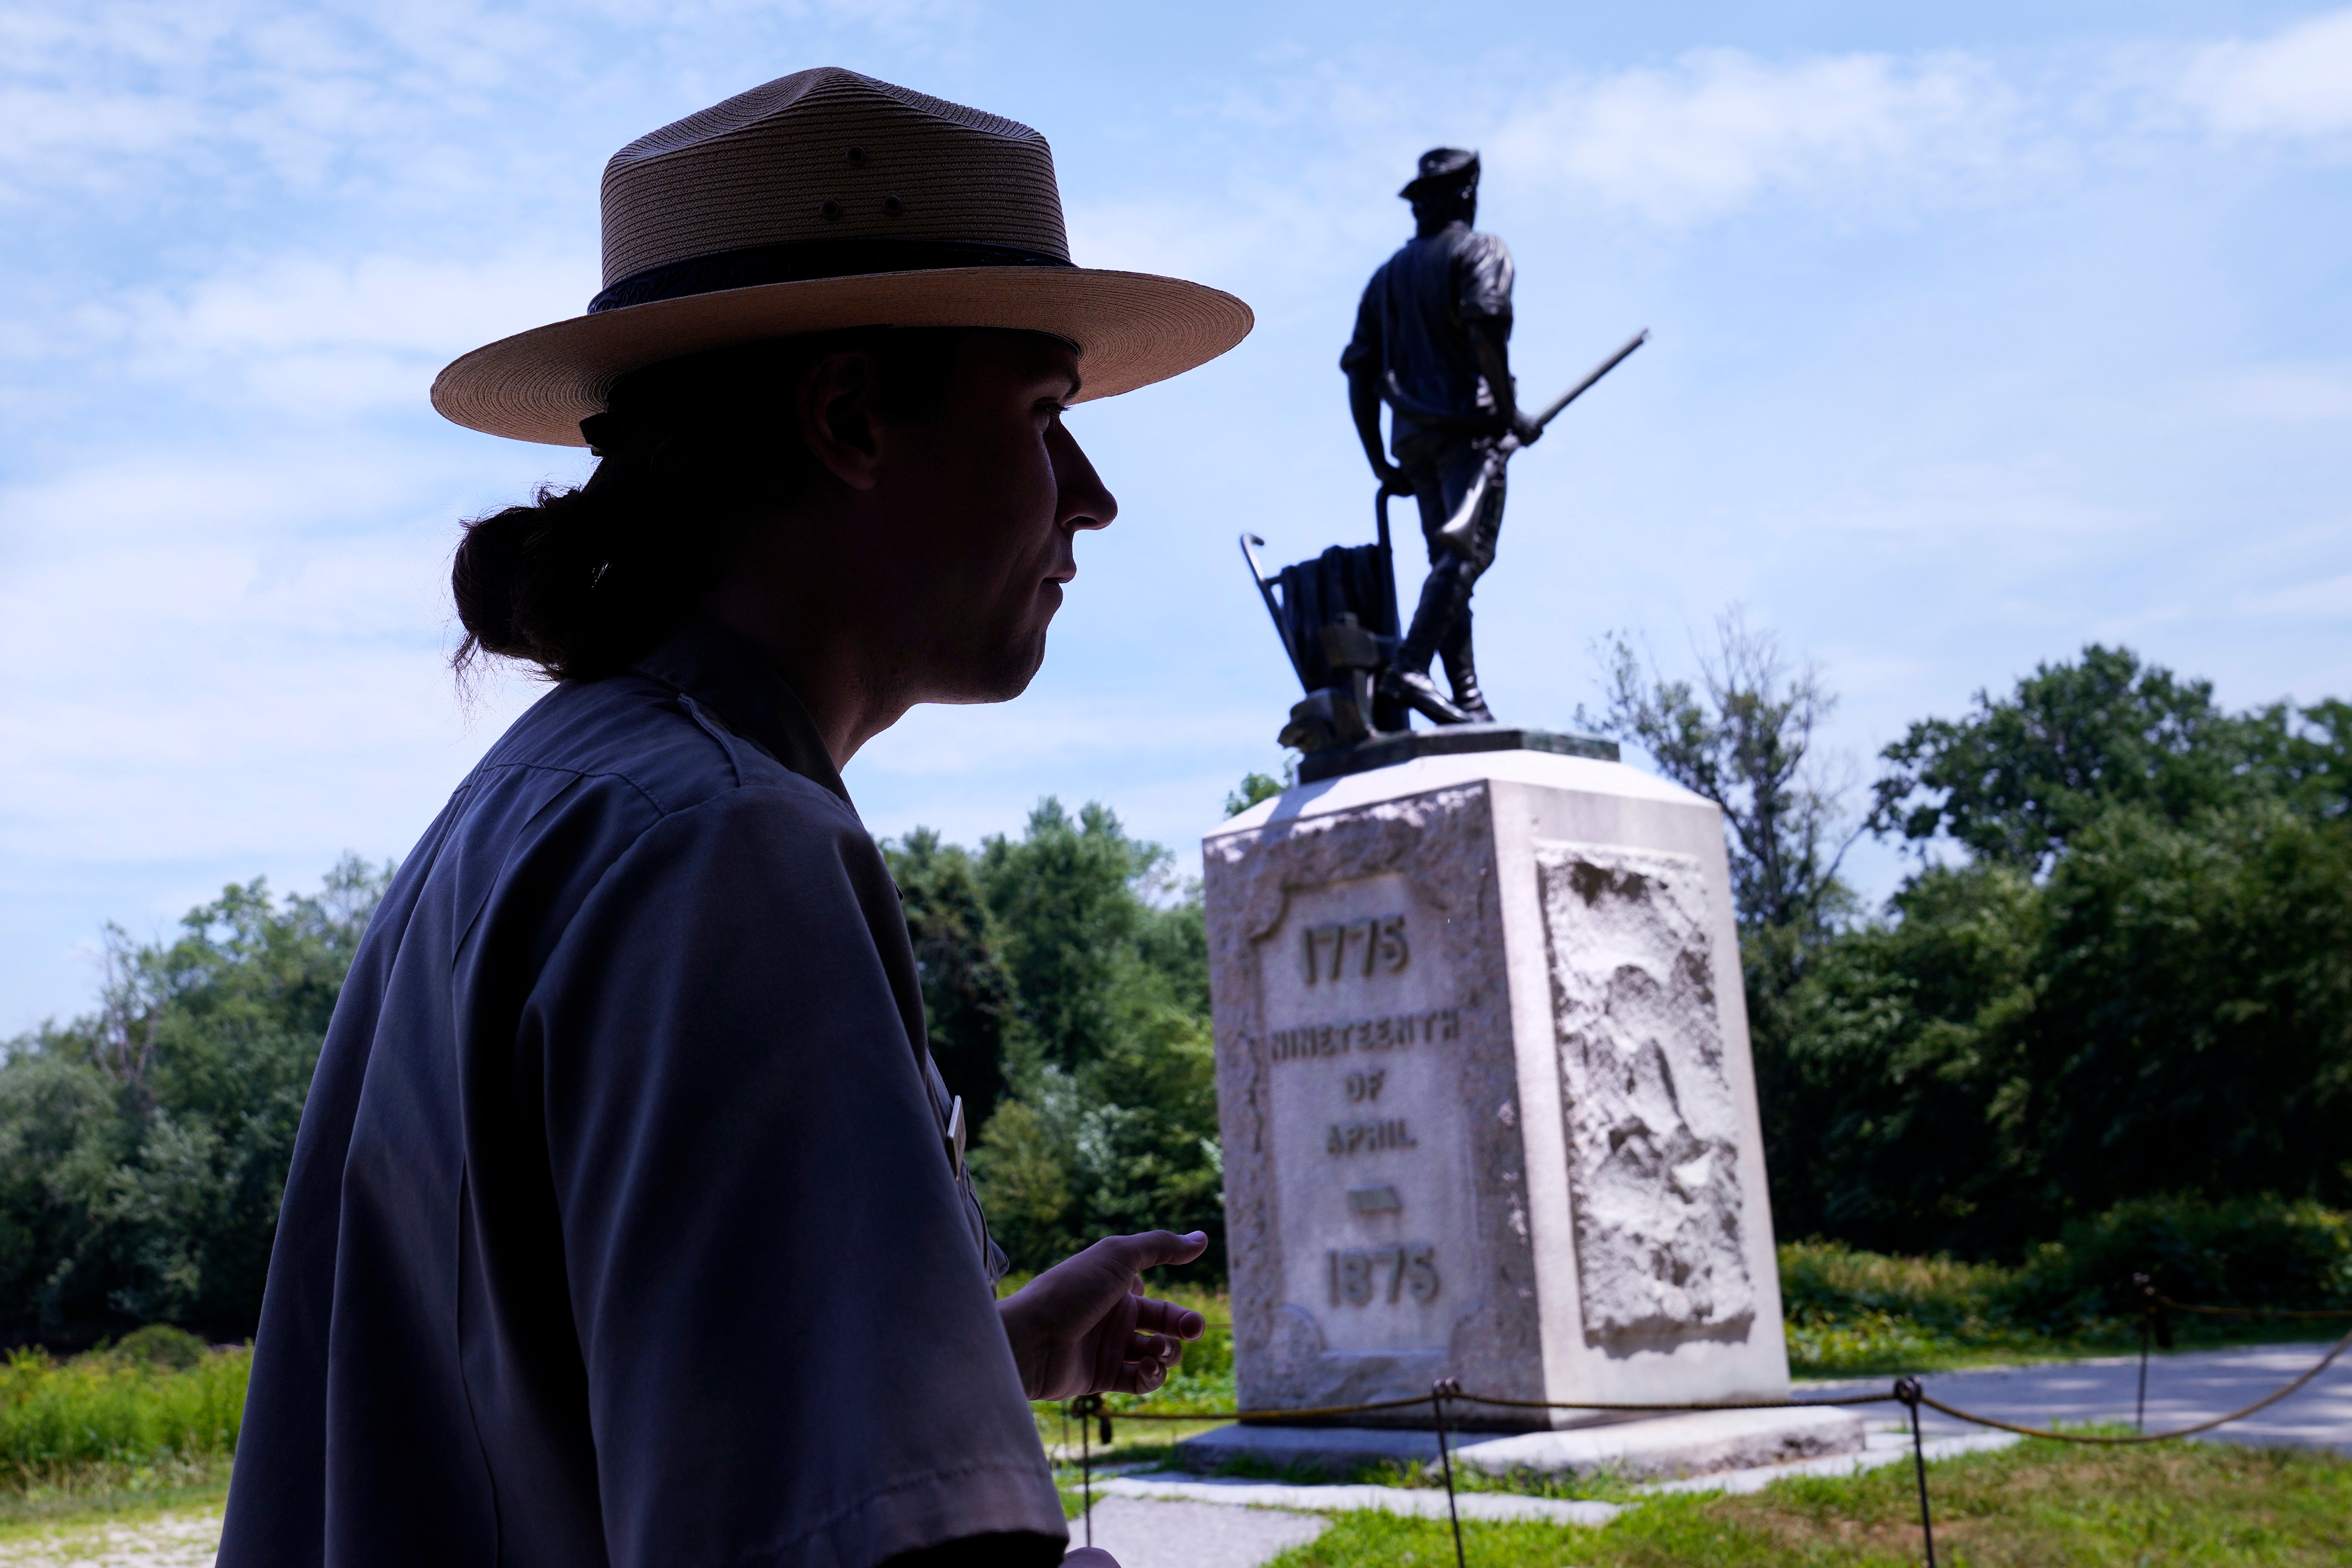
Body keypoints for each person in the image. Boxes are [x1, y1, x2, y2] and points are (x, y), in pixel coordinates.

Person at [216, 67, 1252, 1568]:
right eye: (1043, 413)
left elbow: (572, 1401)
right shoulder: (722, 850)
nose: (1088, 496)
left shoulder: (556, 805)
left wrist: (990, 1352)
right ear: (848, 418)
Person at [1341, 147, 1539, 727]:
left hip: (1414, 442)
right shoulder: (1481, 251)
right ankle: (1410, 666)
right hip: (1470, 433)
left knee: (1447, 568)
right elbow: (1484, 330)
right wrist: (1510, 413)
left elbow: (1359, 375)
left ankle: (1469, 698)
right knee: (1464, 556)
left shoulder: (1385, 280)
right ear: (1463, 196)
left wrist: (1378, 456)